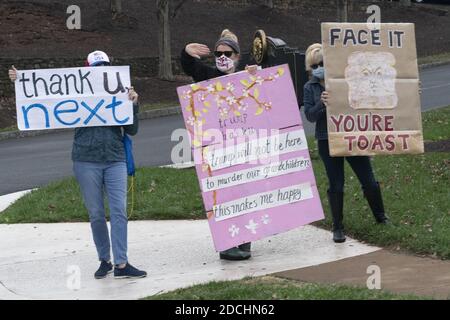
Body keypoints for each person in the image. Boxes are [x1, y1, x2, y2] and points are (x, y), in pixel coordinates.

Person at [9, 50, 147, 279]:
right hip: (85, 160)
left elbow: (132, 130)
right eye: (96, 67)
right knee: (96, 214)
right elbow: (45, 96)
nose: (100, 71)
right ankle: (105, 260)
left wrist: (133, 104)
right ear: (87, 70)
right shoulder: (79, 94)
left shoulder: (122, 91)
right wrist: (21, 81)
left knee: (119, 211)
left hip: (115, 159)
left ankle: (122, 264)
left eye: (104, 66)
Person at [181, 29, 257, 261]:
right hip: (216, 149)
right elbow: (190, 67)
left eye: (227, 52)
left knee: (244, 193)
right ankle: (227, 244)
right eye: (218, 52)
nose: (222, 56)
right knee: (224, 195)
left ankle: (244, 242)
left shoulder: (247, 76)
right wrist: (185, 53)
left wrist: (256, 76)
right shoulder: (208, 76)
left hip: (243, 146)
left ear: (236, 56)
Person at [303, 43, 389, 243]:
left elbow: (366, 99)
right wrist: (321, 104)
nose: (319, 69)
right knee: (336, 183)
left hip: (351, 135)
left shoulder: (347, 80)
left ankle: (381, 217)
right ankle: (338, 227)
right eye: (314, 66)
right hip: (327, 139)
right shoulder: (310, 87)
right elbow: (309, 116)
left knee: (368, 178)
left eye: (322, 63)